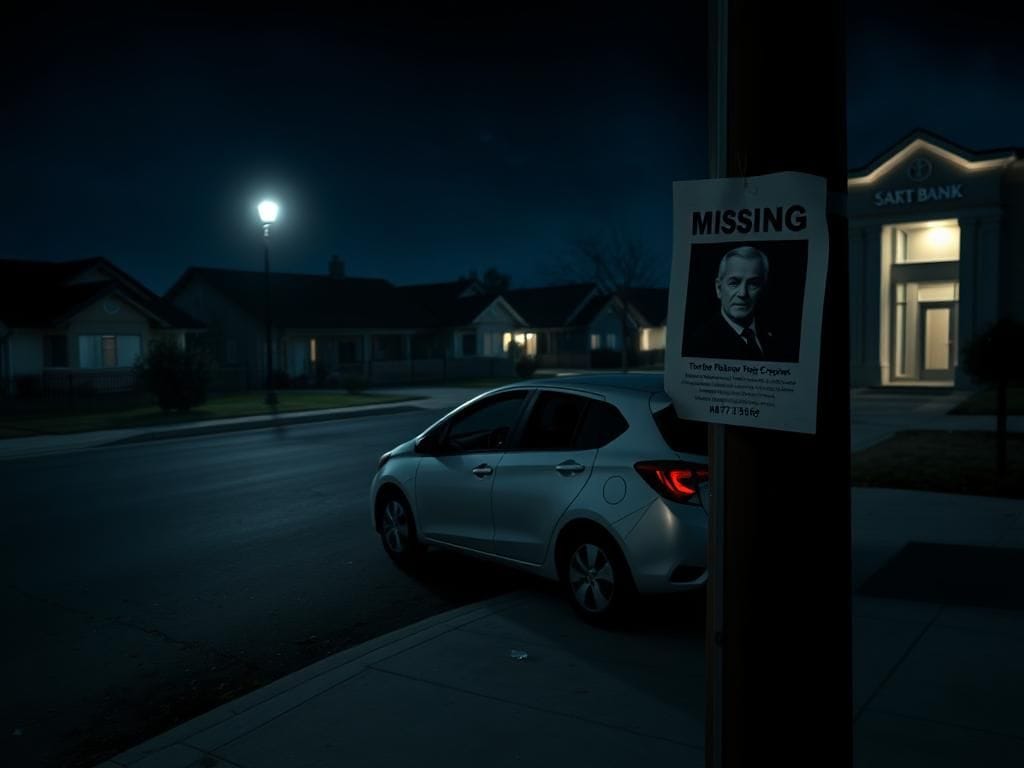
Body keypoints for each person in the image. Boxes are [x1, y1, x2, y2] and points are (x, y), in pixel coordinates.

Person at [685, 245, 793, 362]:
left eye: (753, 284)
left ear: (763, 289)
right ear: (718, 288)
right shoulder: (699, 343)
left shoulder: (777, 338)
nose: (743, 293)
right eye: (734, 283)